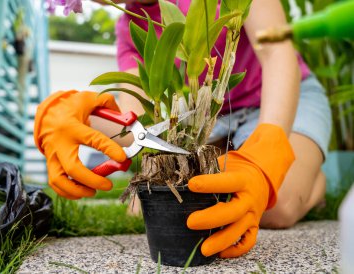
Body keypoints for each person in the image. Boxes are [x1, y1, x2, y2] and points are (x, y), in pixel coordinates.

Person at [34, 0, 331, 258]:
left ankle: (314, 185)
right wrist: (71, 113)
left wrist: (268, 151)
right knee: (154, 203)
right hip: (211, 120)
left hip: (285, 98)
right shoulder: (131, 28)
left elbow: (277, 54)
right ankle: (261, 161)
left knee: (277, 205)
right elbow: (135, 124)